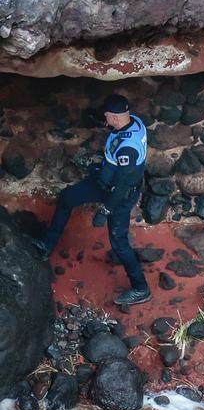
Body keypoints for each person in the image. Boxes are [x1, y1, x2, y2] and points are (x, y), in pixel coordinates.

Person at [34, 94, 151, 306]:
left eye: (107, 117)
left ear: (114, 118)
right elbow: (115, 130)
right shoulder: (133, 120)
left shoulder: (128, 150)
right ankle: (46, 245)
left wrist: (105, 211)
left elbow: (123, 185)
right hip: (105, 182)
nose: (105, 119)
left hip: (119, 195)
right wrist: (101, 122)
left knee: (119, 242)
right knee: (68, 197)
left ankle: (141, 288)